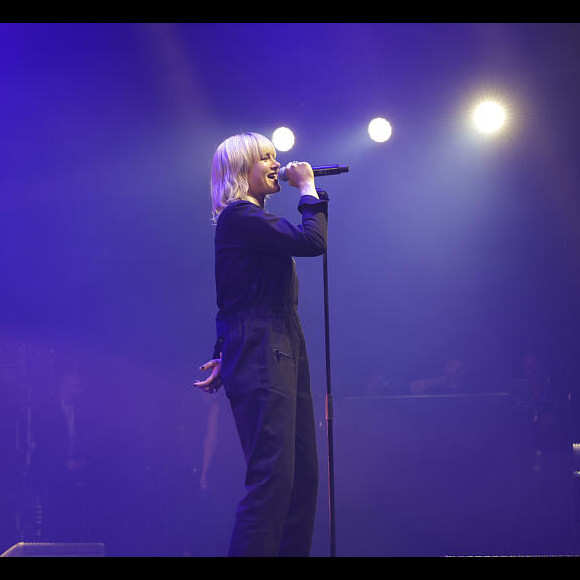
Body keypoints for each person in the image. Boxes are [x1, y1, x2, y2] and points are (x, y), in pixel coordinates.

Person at [193, 132, 328, 557]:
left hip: (279, 338)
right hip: (262, 341)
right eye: (265, 157)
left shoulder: (253, 222)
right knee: (272, 477)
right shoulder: (239, 217)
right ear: (239, 170)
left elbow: (235, 289)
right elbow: (312, 242)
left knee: (301, 477)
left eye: (275, 155)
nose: (276, 163)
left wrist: (223, 350)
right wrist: (307, 190)